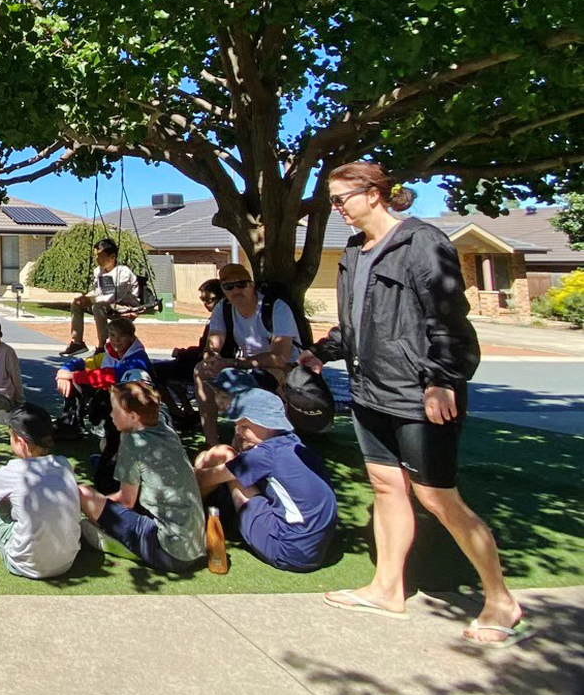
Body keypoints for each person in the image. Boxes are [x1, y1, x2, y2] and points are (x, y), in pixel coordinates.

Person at [307, 161, 527, 645]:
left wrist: (442, 379)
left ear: (373, 194)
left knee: (437, 496)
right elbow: (355, 321)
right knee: (386, 486)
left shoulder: (422, 242)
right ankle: (387, 589)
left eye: (341, 198)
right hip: (369, 391)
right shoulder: (354, 251)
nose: (336, 208)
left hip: (419, 392)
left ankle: (501, 600)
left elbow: (448, 317)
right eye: (332, 200)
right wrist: (322, 353)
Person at [193, 371, 337, 573]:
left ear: (266, 425)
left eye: (244, 426)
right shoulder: (292, 443)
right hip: (313, 550)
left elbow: (204, 479)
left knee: (225, 456)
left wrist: (190, 470)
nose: (239, 431)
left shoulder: (264, 455)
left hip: (286, 550)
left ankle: (190, 520)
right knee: (222, 459)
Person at [78, 380, 206, 574]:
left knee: (83, 493)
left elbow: (126, 501)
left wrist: (94, 506)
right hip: (195, 547)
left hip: (168, 550)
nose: (111, 415)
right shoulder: (166, 429)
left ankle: (122, 545)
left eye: (114, 410)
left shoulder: (132, 440)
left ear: (132, 416)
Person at [0, 403, 83, 580]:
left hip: (24, 564)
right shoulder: (63, 464)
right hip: (67, 562)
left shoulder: (15, 470)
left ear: (21, 443)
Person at [193, 263, 300, 445]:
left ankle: (269, 441)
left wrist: (232, 363)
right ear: (223, 290)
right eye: (229, 286)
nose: (236, 290)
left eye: (241, 284)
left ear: (252, 285)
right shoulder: (223, 308)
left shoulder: (276, 308)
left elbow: (279, 358)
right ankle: (212, 443)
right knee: (201, 370)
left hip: (285, 366)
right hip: (246, 365)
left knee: (255, 381)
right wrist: (211, 360)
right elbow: (212, 345)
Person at [55, 316, 152, 490]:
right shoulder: (110, 354)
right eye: (112, 335)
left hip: (133, 412)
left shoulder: (137, 360)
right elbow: (84, 363)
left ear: (131, 337)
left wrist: (73, 376)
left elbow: (109, 376)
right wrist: (64, 371)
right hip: (118, 407)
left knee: (118, 442)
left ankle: (113, 470)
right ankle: (71, 424)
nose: (116, 340)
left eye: (121, 336)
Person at [152, 278, 226, 429]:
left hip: (206, 365)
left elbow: (207, 352)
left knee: (154, 371)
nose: (206, 304)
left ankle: (176, 412)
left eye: (210, 300)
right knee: (166, 371)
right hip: (200, 361)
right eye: (203, 300)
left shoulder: (220, 321)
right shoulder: (219, 319)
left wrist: (182, 353)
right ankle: (187, 411)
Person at [62, 238, 142, 357]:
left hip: (125, 305)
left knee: (97, 306)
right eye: (95, 256)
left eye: (100, 256)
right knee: (76, 303)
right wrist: (85, 298)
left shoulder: (123, 272)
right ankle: (77, 342)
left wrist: (92, 300)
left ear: (112, 257)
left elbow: (116, 296)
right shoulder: (98, 271)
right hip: (106, 304)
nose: (97, 259)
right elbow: (98, 292)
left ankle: (102, 345)